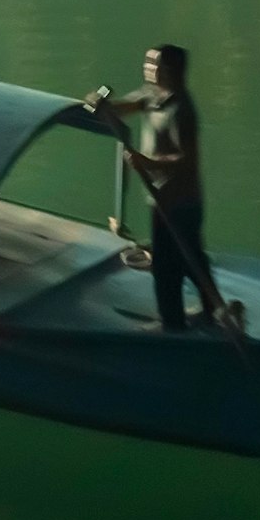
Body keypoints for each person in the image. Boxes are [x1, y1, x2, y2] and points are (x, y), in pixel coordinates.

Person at [83, 45, 222, 331]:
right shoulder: (152, 95)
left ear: (171, 71)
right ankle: (204, 311)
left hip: (181, 202)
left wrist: (146, 162)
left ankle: (179, 322)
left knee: (176, 263)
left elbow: (185, 160)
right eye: (147, 62)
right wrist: (102, 105)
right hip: (159, 199)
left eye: (153, 64)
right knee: (182, 260)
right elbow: (127, 106)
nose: (147, 68)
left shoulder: (182, 109)